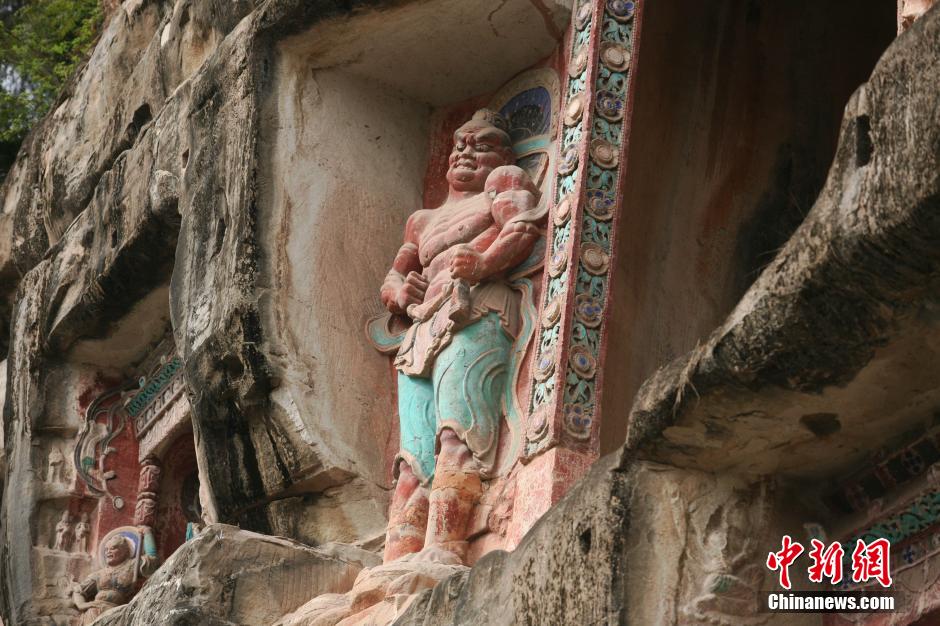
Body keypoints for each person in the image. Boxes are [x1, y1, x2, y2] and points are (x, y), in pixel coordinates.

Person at [380, 109, 542, 564]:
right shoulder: (421, 221)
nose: (466, 153)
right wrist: (399, 294)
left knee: (457, 433)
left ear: (504, 156)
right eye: (460, 146)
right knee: (411, 460)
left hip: (477, 307)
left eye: (482, 145)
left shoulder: (504, 183)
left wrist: (485, 263)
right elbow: (394, 277)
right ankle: (395, 564)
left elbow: (522, 230)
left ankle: (445, 550)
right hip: (420, 328)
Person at [71, 528, 159, 625]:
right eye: (106, 550)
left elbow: (152, 561)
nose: (108, 552)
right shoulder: (99, 574)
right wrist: (81, 604)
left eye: (113, 548)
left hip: (117, 612)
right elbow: (78, 590)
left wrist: (147, 534)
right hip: (93, 612)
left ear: (125, 551)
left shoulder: (133, 565)